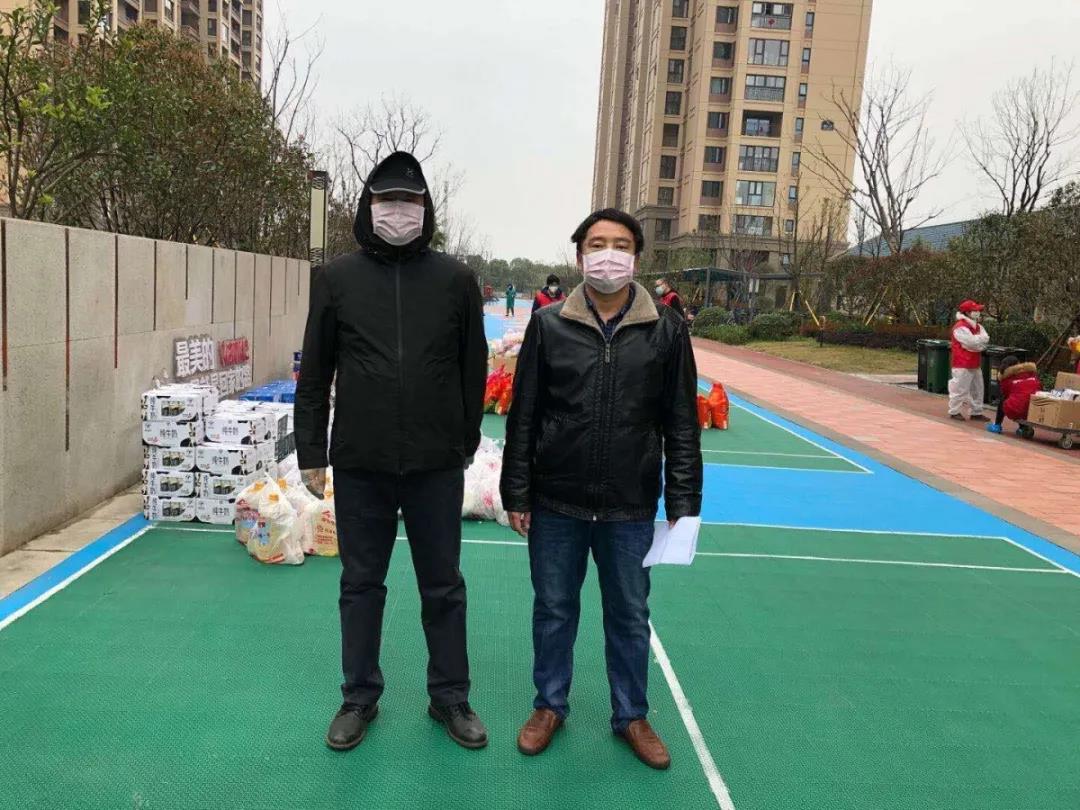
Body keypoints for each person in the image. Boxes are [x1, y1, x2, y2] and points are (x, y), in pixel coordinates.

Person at [294, 151, 490, 753]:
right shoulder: (337, 278)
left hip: (435, 463)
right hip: (361, 461)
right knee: (361, 583)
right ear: (368, 206)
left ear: (425, 209)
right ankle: (359, 696)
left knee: (443, 584)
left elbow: (473, 367)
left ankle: (450, 697)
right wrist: (311, 450)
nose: (398, 211)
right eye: (387, 201)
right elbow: (315, 370)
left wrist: (464, 440)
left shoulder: (455, 280)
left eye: (410, 201)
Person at [500, 208, 703, 770]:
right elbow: (525, 414)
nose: (608, 254)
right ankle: (549, 706)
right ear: (579, 255)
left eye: (620, 244)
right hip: (557, 500)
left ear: (636, 256)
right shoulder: (549, 325)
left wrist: (683, 502)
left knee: (630, 614)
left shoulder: (666, 329)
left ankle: (631, 715)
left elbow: (681, 423)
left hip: (630, 505)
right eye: (597, 244)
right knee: (554, 609)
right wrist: (518, 491)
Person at [948, 300, 990, 421]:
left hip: (974, 362)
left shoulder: (977, 326)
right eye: (975, 310)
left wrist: (977, 343)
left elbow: (983, 340)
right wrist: (979, 342)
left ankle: (976, 412)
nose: (978, 312)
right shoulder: (960, 327)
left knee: (978, 389)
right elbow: (972, 342)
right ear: (967, 312)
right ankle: (954, 411)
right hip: (962, 363)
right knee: (959, 389)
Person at [987, 355, 1041, 434]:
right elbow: (1039, 387)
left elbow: (1005, 394)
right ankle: (1023, 428)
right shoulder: (1031, 373)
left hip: (1017, 409)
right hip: (1034, 408)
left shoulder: (1007, 378)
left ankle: (997, 425)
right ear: (1018, 363)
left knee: (1005, 401)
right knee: (1022, 399)